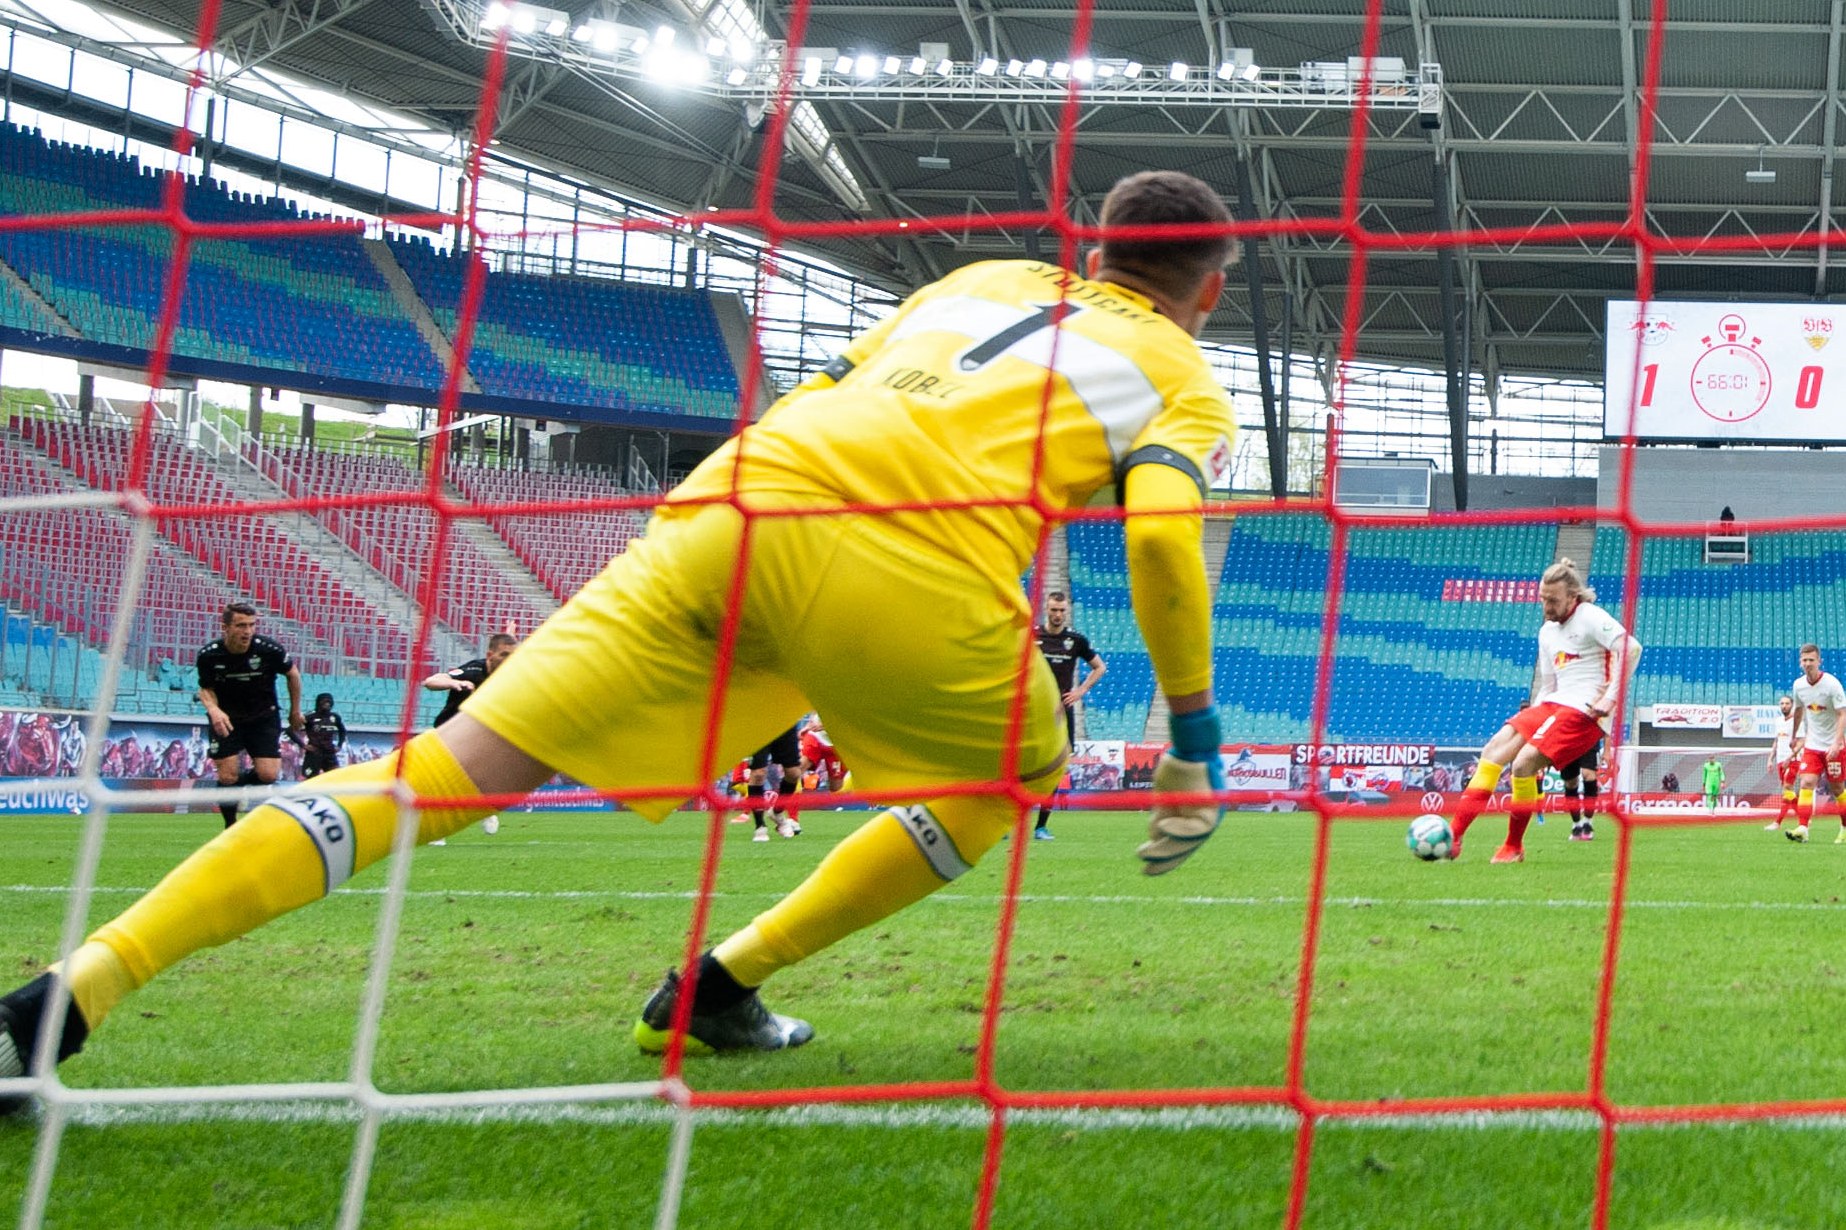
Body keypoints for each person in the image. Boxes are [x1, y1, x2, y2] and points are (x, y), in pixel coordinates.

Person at [0, 169, 1237, 1085]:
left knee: (444, 771)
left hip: (733, 503)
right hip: (904, 557)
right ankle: (722, 982)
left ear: (1092, 242)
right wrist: (1191, 734)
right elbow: (1163, 538)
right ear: (1209, 292)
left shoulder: (978, 281)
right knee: (1009, 778)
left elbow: (828, 393)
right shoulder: (1181, 374)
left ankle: (79, 986)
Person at [1448, 560, 1641, 864]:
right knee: (1494, 749)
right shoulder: (1547, 632)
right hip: (1555, 702)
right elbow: (1549, 684)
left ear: (1572, 597)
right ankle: (1453, 837)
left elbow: (1631, 648)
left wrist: (1611, 699)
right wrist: (1532, 724)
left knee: (1523, 764)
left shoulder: (1590, 616)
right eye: (1542, 598)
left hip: (1587, 710)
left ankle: (1513, 847)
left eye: (1553, 600)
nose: (1546, 605)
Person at [195, 603, 304, 829]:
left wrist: (295, 711)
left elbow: (292, 673)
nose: (247, 631)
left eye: (252, 625)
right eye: (241, 625)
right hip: (227, 719)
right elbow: (205, 690)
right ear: (225, 627)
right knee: (227, 776)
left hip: (263, 717)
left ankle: (233, 786)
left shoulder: (268, 649)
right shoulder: (209, 655)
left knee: (268, 774)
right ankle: (230, 825)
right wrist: (214, 710)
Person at [420, 633, 519, 840]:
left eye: (513, 656)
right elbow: (431, 681)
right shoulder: (473, 671)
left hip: (479, 735)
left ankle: (486, 807)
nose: (509, 660)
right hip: (448, 731)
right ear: (490, 655)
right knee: (442, 781)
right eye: (504, 655)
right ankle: (438, 828)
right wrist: (453, 684)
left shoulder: (511, 677)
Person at [1030, 591, 1107, 840]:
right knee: (1019, 766)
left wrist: (1080, 691)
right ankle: (1007, 824)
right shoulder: (1033, 637)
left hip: (1062, 713)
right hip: (1034, 711)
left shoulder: (1075, 640)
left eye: (1062, 610)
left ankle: (1041, 826)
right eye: (1053, 609)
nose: (1058, 614)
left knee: (1056, 768)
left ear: (1067, 611)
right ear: (1047, 609)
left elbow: (1099, 667)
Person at [1785, 644, 1846, 844]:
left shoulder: (1832, 684)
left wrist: (1837, 743)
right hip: (1812, 744)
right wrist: (1794, 736)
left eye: (1812, 660)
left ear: (1819, 661)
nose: (1808, 663)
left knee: (1837, 788)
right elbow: (1799, 711)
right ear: (1800, 662)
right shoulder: (1798, 685)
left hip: (1833, 745)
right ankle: (1803, 828)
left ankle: (1845, 828)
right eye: (1804, 660)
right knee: (1806, 783)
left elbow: (1842, 713)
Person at [745, 723, 803, 841]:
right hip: (759, 722)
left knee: (793, 773)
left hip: (785, 722)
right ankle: (760, 826)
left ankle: (777, 812)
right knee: (758, 774)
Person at [1767, 694, 1800, 832]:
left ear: (1792, 705)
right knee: (1788, 792)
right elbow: (1777, 740)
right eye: (1782, 703)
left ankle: (1778, 822)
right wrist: (1770, 758)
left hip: (1793, 760)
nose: (1784, 706)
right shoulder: (1778, 721)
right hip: (1780, 760)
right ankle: (1804, 817)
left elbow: (1801, 742)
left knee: (1787, 788)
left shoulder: (1797, 721)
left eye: (1787, 703)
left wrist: (1791, 756)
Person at [1558, 739, 1602, 841]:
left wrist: (1607, 751)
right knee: (1571, 783)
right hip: (1568, 741)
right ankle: (1576, 825)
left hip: (1589, 739)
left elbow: (1606, 726)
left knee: (1589, 775)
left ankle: (1587, 823)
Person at [301, 693, 347, 779]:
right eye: (325, 702)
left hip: (329, 752)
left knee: (335, 778)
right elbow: (290, 731)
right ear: (319, 702)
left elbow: (342, 731)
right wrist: (302, 745)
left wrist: (339, 745)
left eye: (329, 702)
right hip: (314, 753)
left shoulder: (334, 717)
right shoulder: (310, 716)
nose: (327, 704)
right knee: (311, 780)